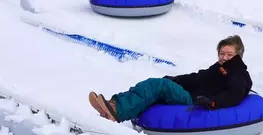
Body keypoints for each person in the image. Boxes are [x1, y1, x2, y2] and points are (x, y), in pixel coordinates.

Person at [89, 35, 253, 123]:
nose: (224, 57)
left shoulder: (239, 75)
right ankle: (112, 104)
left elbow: (234, 95)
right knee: (152, 84)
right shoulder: (219, 68)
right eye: (222, 53)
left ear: (238, 55)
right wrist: (176, 79)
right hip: (190, 93)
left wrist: (212, 102)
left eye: (229, 54)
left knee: (158, 85)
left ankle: (117, 110)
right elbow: (197, 78)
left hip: (193, 101)